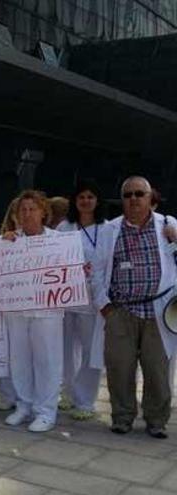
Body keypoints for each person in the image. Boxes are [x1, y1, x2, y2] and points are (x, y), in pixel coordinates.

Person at [92, 176, 177, 439]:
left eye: (139, 194)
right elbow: (96, 272)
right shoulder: (110, 230)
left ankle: (156, 420)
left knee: (157, 370)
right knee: (119, 367)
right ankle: (122, 416)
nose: (133, 199)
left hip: (159, 311)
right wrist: (104, 306)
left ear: (151, 198)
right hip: (121, 310)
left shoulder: (169, 224)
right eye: (127, 195)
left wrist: (176, 241)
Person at [1, 190, 64, 432]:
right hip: (16, 310)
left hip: (47, 312)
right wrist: (1, 248)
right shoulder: (9, 241)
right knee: (19, 359)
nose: (27, 214)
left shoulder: (58, 241)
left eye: (32, 209)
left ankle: (46, 411)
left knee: (47, 360)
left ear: (43, 212)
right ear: (16, 215)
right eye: (23, 210)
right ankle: (24, 405)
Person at [55, 180, 106, 421]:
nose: (86, 201)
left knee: (89, 352)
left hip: (92, 301)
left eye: (90, 196)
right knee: (65, 350)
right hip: (66, 300)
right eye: (81, 197)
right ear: (75, 202)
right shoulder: (65, 227)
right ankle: (67, 392)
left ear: (98, 201)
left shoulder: (107, 228)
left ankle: (86, 400)